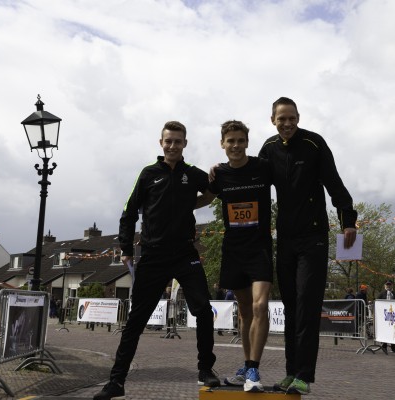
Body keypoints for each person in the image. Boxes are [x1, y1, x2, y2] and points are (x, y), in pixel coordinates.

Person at [93, 121, 219, 400]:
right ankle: (116, 382)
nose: (173, 146)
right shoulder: (148, 174)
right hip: (153, 255)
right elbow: (128, 212)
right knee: (136, 321)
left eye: (178, 141)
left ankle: (205, 369)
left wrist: (195, 202)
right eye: (168, 141)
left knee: (203, 309)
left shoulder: (191, 173)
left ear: (185, 144)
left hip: (185, 254)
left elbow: (213, 191)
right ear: (161, 143)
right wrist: (126, 248)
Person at [259, 97, 357, 395]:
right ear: (273, 120)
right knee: (291, 307)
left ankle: (304, 375)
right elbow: (251, 179)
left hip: (313, 237)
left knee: (306, 305)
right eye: (281, 119)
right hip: (285, 238)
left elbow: (334, 183)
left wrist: (348, 221)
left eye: (291, 118)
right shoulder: (268, 149)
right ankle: (290, 372)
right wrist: (221, 172)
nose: (287, 123)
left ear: (298, 117)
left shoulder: (314, 144)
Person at [196, 120, 274, 392]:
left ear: (247, 143)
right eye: (231, 141)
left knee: (260, 306)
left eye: (241, 140)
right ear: (222, 144)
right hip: (233, 250)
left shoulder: (263, 167)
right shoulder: (219, 174)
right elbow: (204, 200)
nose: (236, 145)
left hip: (260, 248)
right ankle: (246, 367)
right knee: (244, 312)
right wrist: (169, 205)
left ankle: (253, 367)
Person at [376, 280, 395, 354]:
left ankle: (394, 347)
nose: (388, 286)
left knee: (394, 331)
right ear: (385, 285)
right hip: (384, 316)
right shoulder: (381, 294)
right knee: (385, 331)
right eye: (387, 285)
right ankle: (384, 346)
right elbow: (377, 303)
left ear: (392, 285)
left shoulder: (394, 294)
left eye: (389, 285)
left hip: (393, 315)